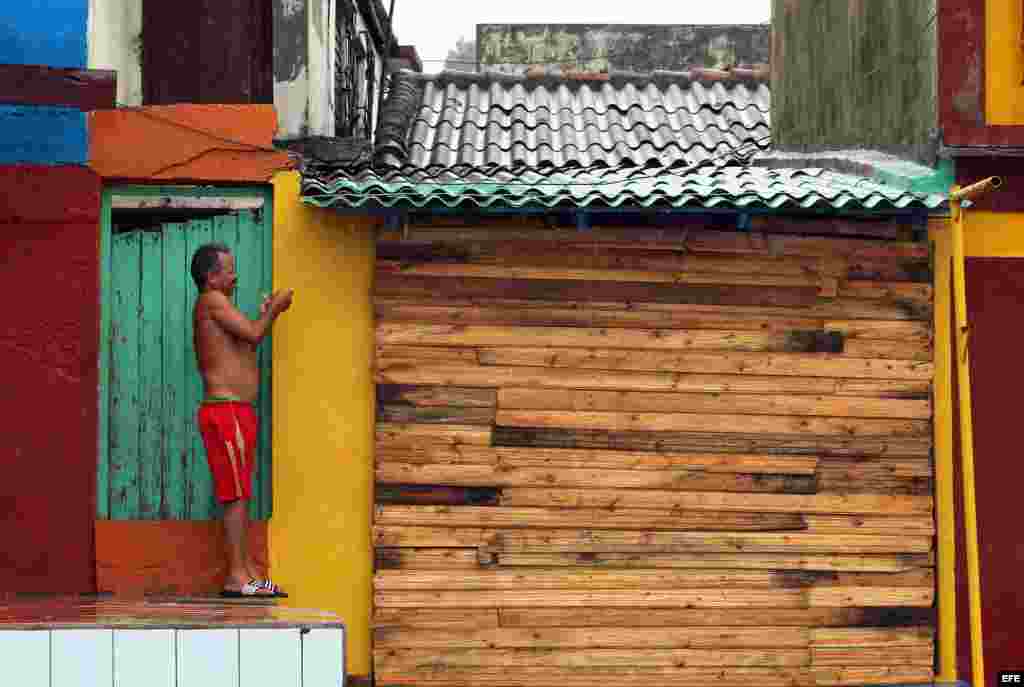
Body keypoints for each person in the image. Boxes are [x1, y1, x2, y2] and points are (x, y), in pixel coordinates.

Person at [190, 242, 293, 598]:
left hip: (235, 412)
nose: (235, 276)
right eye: (229, 270)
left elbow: (245, 344)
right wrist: (276, 310)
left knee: (241, 493)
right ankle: (236, 575)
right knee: (235, 495)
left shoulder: (220, 307)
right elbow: (254, 333)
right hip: (225, 412)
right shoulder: (212, 301)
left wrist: (263, 314)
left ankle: (247, 570)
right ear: (211, 277)